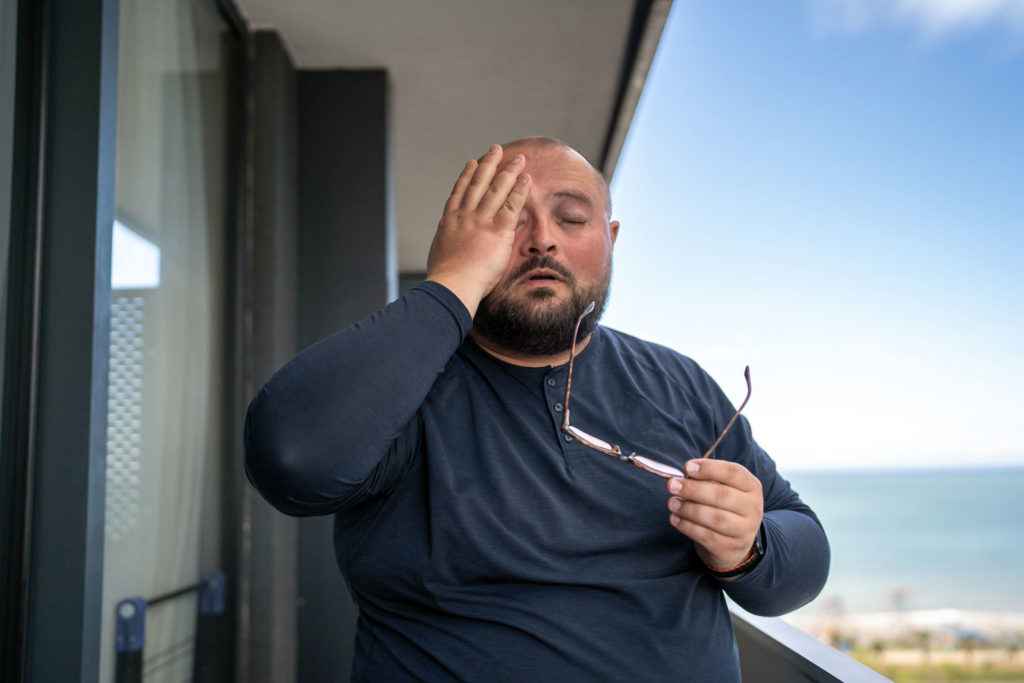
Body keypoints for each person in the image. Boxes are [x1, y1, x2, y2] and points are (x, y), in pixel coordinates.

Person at [244, 137, 830, 681]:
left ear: (611, 239)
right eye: (507, 220)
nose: (541, 239)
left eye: (571, 218)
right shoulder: (404, 385)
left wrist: (745, 550)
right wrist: (450, 284)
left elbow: (797, 550)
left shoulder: (678, 382)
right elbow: (293, 461)